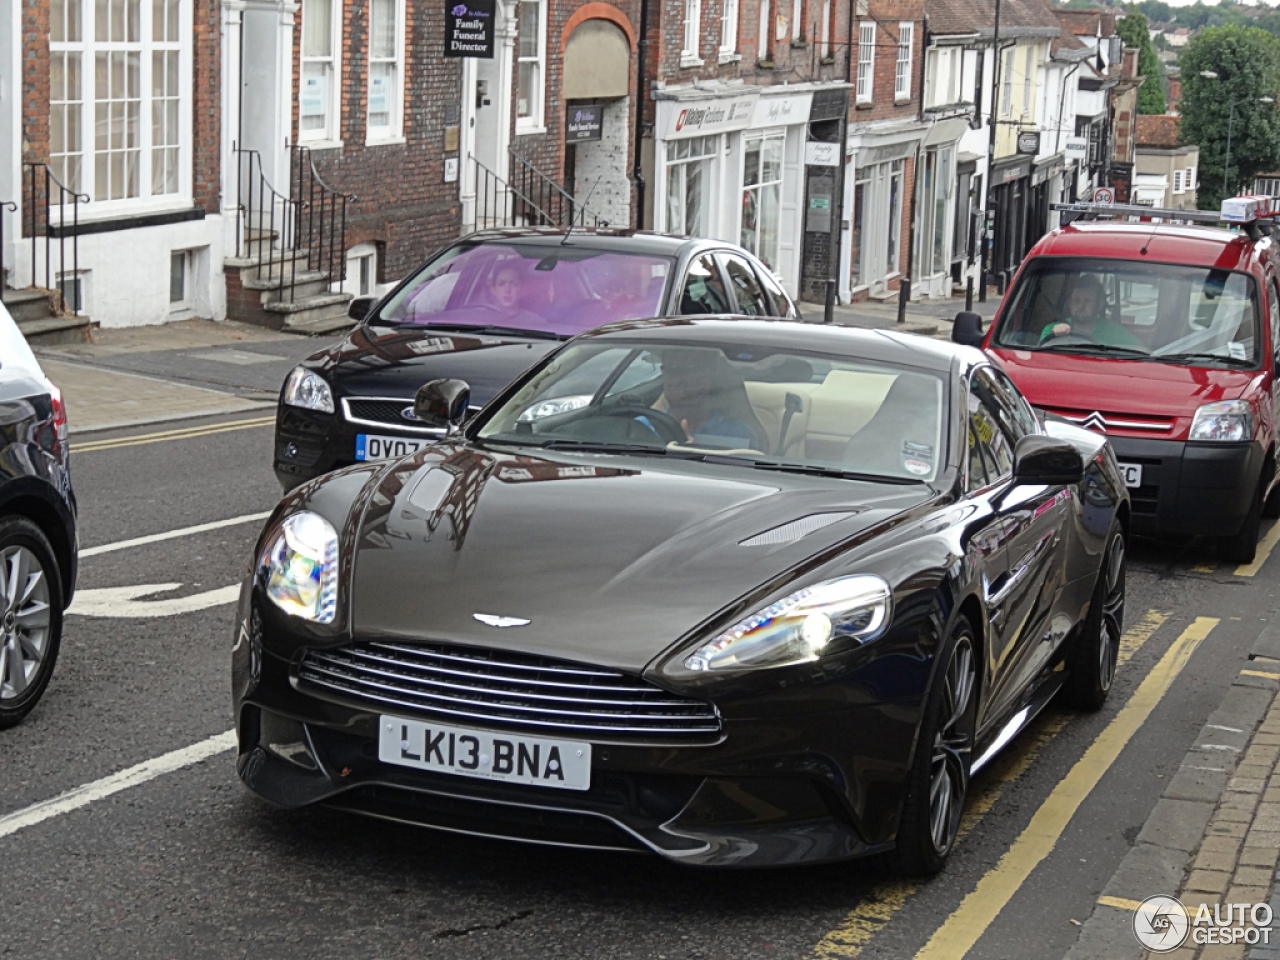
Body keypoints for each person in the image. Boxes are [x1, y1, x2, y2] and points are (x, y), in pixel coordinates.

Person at [658, 349, 767, 449]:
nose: (678, 381)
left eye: (690, 369)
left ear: (709, 376)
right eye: (672, 370)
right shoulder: (645, 427)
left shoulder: (738, 434)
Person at [1040, 275, 1143, 348]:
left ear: (1098, 305)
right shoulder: (1051, 330)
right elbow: (1039, 359)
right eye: (1076, 301)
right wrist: (1055, 337)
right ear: (1070, 304)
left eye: (1087, 301)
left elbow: (1142, 350)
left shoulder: (1113, 331)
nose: (1081, 306)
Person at [485, 262, 547, 328]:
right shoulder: (483, 318)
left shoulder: (536, 322)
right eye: (501, 284)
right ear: (493, 289)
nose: (507, 290)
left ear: (522, 289)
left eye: (514, 284)